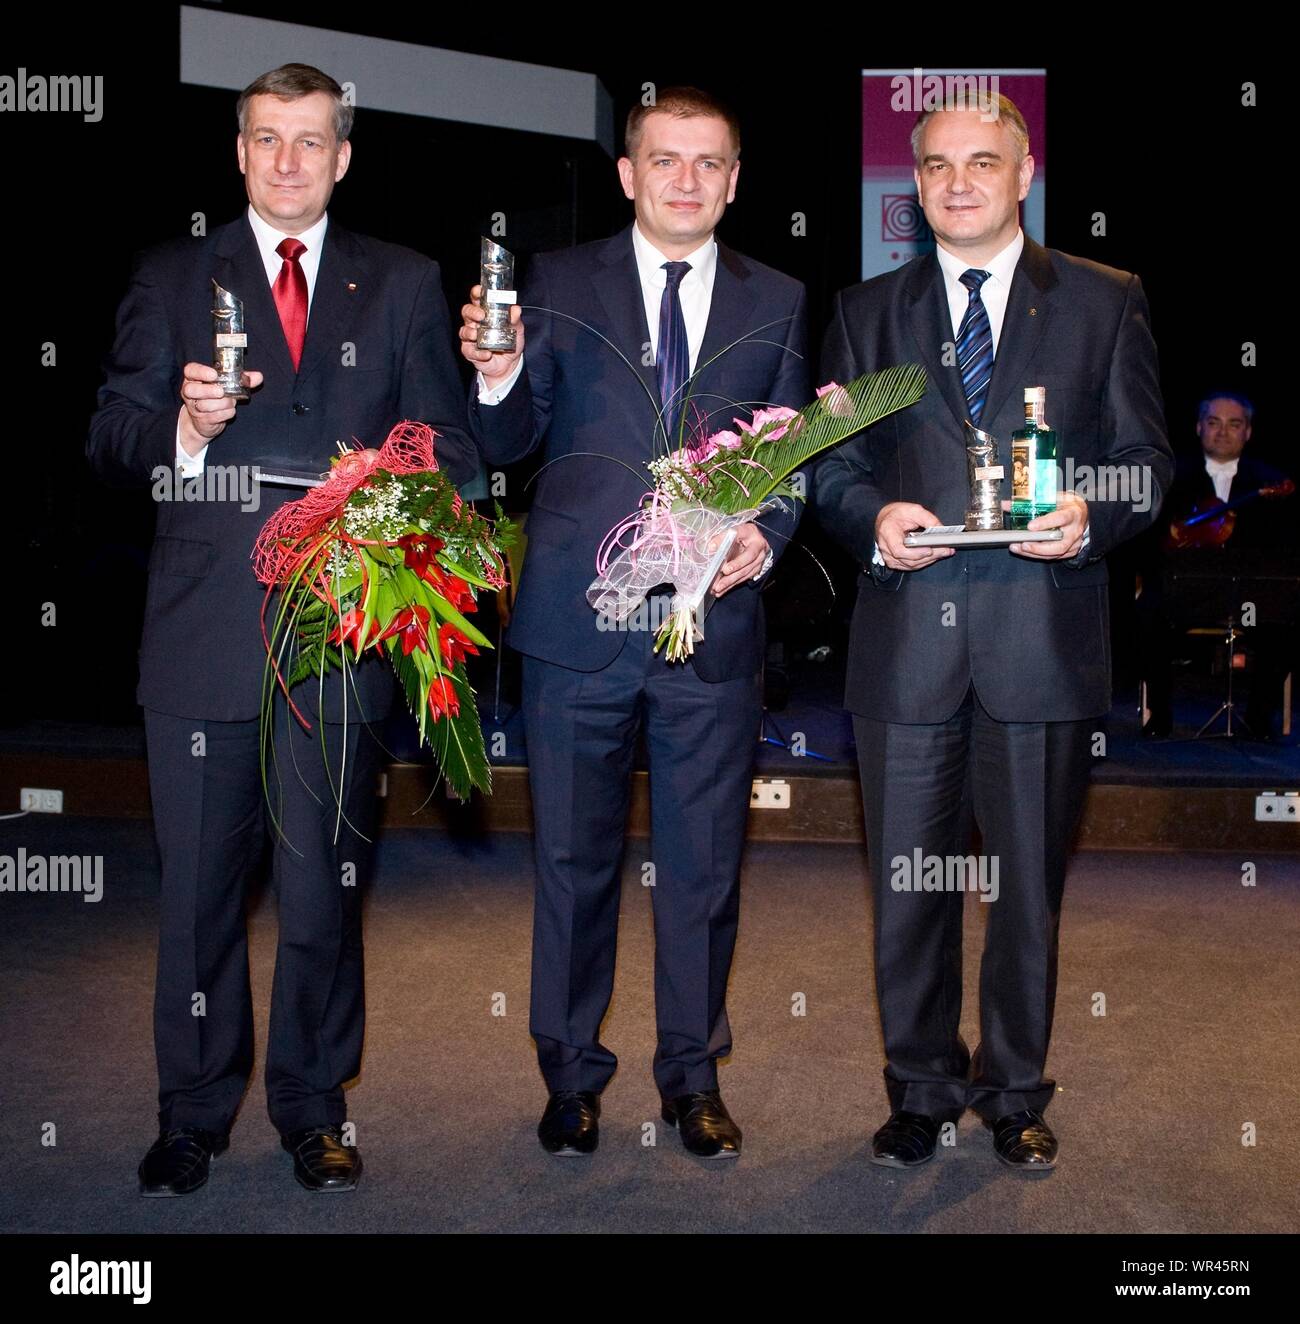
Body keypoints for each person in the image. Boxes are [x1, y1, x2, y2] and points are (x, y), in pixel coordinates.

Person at [87, 63, 479, 1195]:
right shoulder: (171, 275)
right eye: (269, 139)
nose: (290, 160)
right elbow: (112, 437)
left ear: (343, 157)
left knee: (322, 897)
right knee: (199, 902)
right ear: (240, 152)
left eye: (312, 140)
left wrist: (389, 486)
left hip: (342, 641)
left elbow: (448, 449)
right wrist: (188, 428)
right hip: (203, 640)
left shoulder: (402, 283)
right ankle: (193, 1113)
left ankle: (313, 1107)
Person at [814, 94, 1172, 1170]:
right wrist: (867, 516)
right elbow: (828, 467)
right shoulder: (863, 312)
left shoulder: (1105, 303)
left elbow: (1145, 465)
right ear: (912, 186)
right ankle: (919, 1086)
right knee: (907, 891)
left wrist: (1088, 514)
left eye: (982, 162)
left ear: (1024, 175)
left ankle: (1013, 1089)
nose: (957, 182)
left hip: (1038, 647)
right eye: (935, 166)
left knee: (1022, 892)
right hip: (908, 648)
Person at [460, 87, 808, 1159]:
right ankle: (569, 1077)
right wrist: (499, 370)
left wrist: (771, 532)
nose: (687, 180)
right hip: (578, 624)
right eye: (666, 159)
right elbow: (508, 441)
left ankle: (691, 1078)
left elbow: (795, 459)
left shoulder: (780, 296)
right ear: (627, 172)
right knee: (572, 863)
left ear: (736, 179)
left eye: (709, 162)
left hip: (713, 628)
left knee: (702, 867)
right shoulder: (555, 283)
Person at [1139, 392, 1295, 738]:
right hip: (1186, 592)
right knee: (1148, 615)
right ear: (1199, 427)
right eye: (1214, 422)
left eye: (1234, 424)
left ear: (1248, 432)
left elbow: (1280, 549)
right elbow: (1148, 540)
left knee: (1283, 625)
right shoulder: (1171, 476)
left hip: (1249, 597)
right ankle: (1160, 717)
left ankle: (1259, 718)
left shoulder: (1270, 483)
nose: (1223, 432)